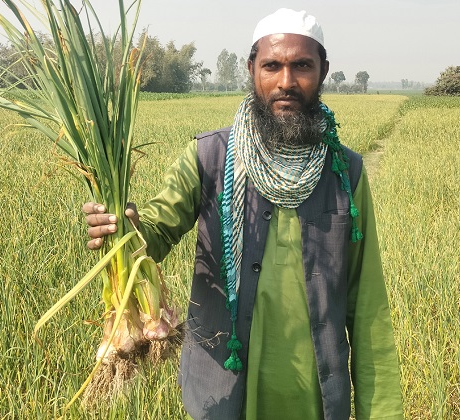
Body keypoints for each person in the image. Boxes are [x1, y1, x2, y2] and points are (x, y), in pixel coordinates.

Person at [83, 8, 403, 420]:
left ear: (323, 71)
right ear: (252, 69)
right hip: (223, 392)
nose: (286, 82)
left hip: (316, 397)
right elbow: (155, 232)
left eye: (302, 66)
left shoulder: (345, 172)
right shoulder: (210, 158)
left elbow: (369, 306)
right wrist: (124, 230)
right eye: (272, 65)